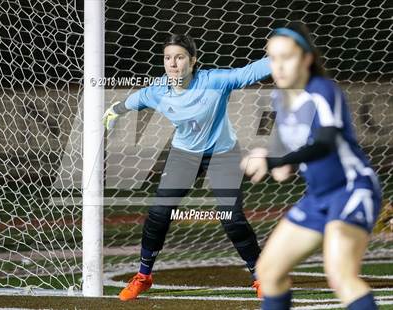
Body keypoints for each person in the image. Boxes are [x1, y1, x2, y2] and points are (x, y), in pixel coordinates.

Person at [103, 34, 271, 301]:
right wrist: (114, 110)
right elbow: (132, 101)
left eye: (179, 57)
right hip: (185, 155)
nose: (172, 63)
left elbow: (247, 73)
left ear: (192, 61)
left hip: (223, 154)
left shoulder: (214, 81)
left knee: (232, 218)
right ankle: (144, 276)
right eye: (168, 58)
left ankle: (262, 277)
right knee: (159, 213)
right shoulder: (158, 90)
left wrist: (283, 57)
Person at [241, 23, 382, 309]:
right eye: (272, 58)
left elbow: (325, 143)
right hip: (317, 198)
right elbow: (284, 158)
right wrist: (269, 159)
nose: (278, 66)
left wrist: (275, 160)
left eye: (287, 57)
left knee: (341, 275)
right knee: (269, 272)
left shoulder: (322, 91)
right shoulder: (279, 98)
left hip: (352, 189)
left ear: (307, 59)